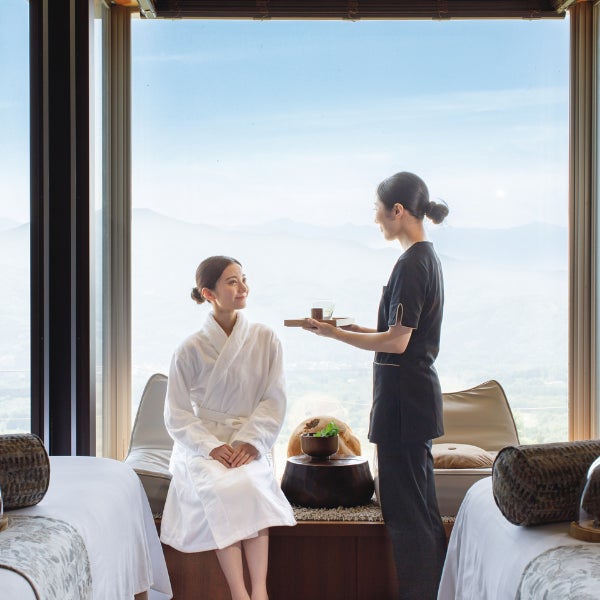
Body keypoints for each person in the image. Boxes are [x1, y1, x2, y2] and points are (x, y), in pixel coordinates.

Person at [302, 171, 448, 599]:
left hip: (404, 405)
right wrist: (350, 328)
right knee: (420, 512)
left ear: (397, 211)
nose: (375, 219)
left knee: (407, 516)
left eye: (377, 210)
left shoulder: (412, 264)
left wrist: (336, 336)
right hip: (412, 401)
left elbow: (397, 343)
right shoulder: (425, 258)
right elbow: (399, 335)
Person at [160, 255, 296, 600]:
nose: (242, 287)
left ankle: (260, 590)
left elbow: (274, 398)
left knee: (250, 483)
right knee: (223, 487)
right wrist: (210, 446)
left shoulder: (266, 339)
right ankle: (239, 592)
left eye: (243, 279)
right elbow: (176, 413)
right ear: (209, 293)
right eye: (232, 282)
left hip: (249, 441)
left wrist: (252, 441)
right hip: (205, 445)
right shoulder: (189, 349)